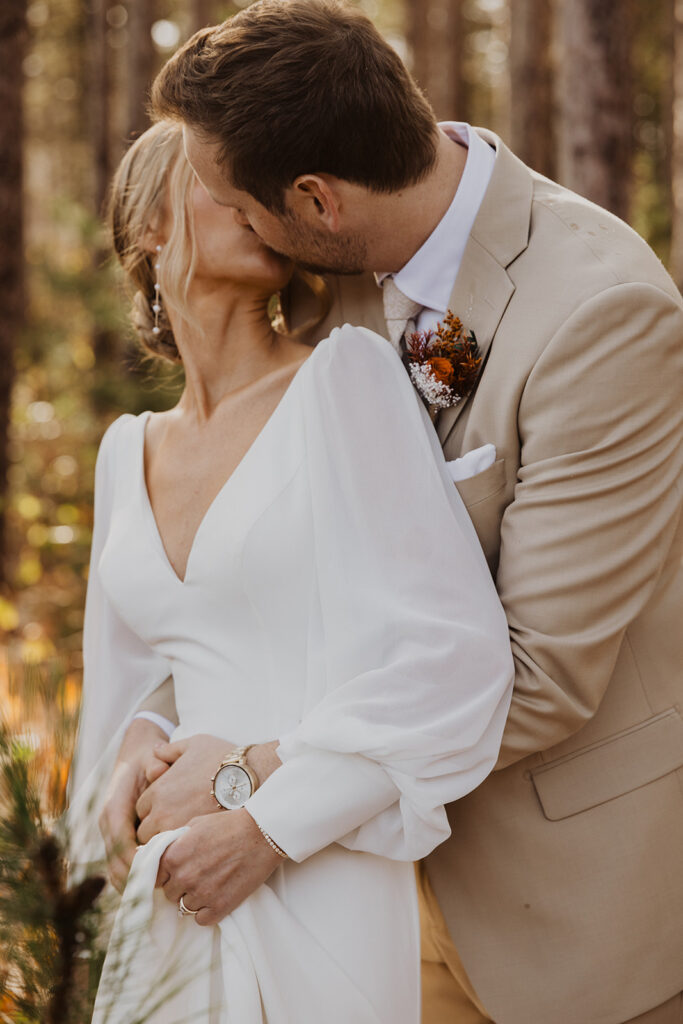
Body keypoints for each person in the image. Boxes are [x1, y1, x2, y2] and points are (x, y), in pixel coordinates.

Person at [95, 2, 683, 1023]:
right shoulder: (328, 291)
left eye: (240, 202)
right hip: (345, 900)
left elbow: (535, 673)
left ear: (311, 201)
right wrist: (158, 728)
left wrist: (247, 782)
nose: (237, 225)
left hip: (561, 907)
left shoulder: (600, 316)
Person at [67, 118, 513, 1023]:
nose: (258, 194)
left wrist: (262, 818)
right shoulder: (125, 452)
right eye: (221, 178)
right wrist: (127, 756)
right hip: (166, 892)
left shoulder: (343, 381)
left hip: (315, 871)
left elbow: (452, 663)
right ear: (148, 224)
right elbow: (146, 674)